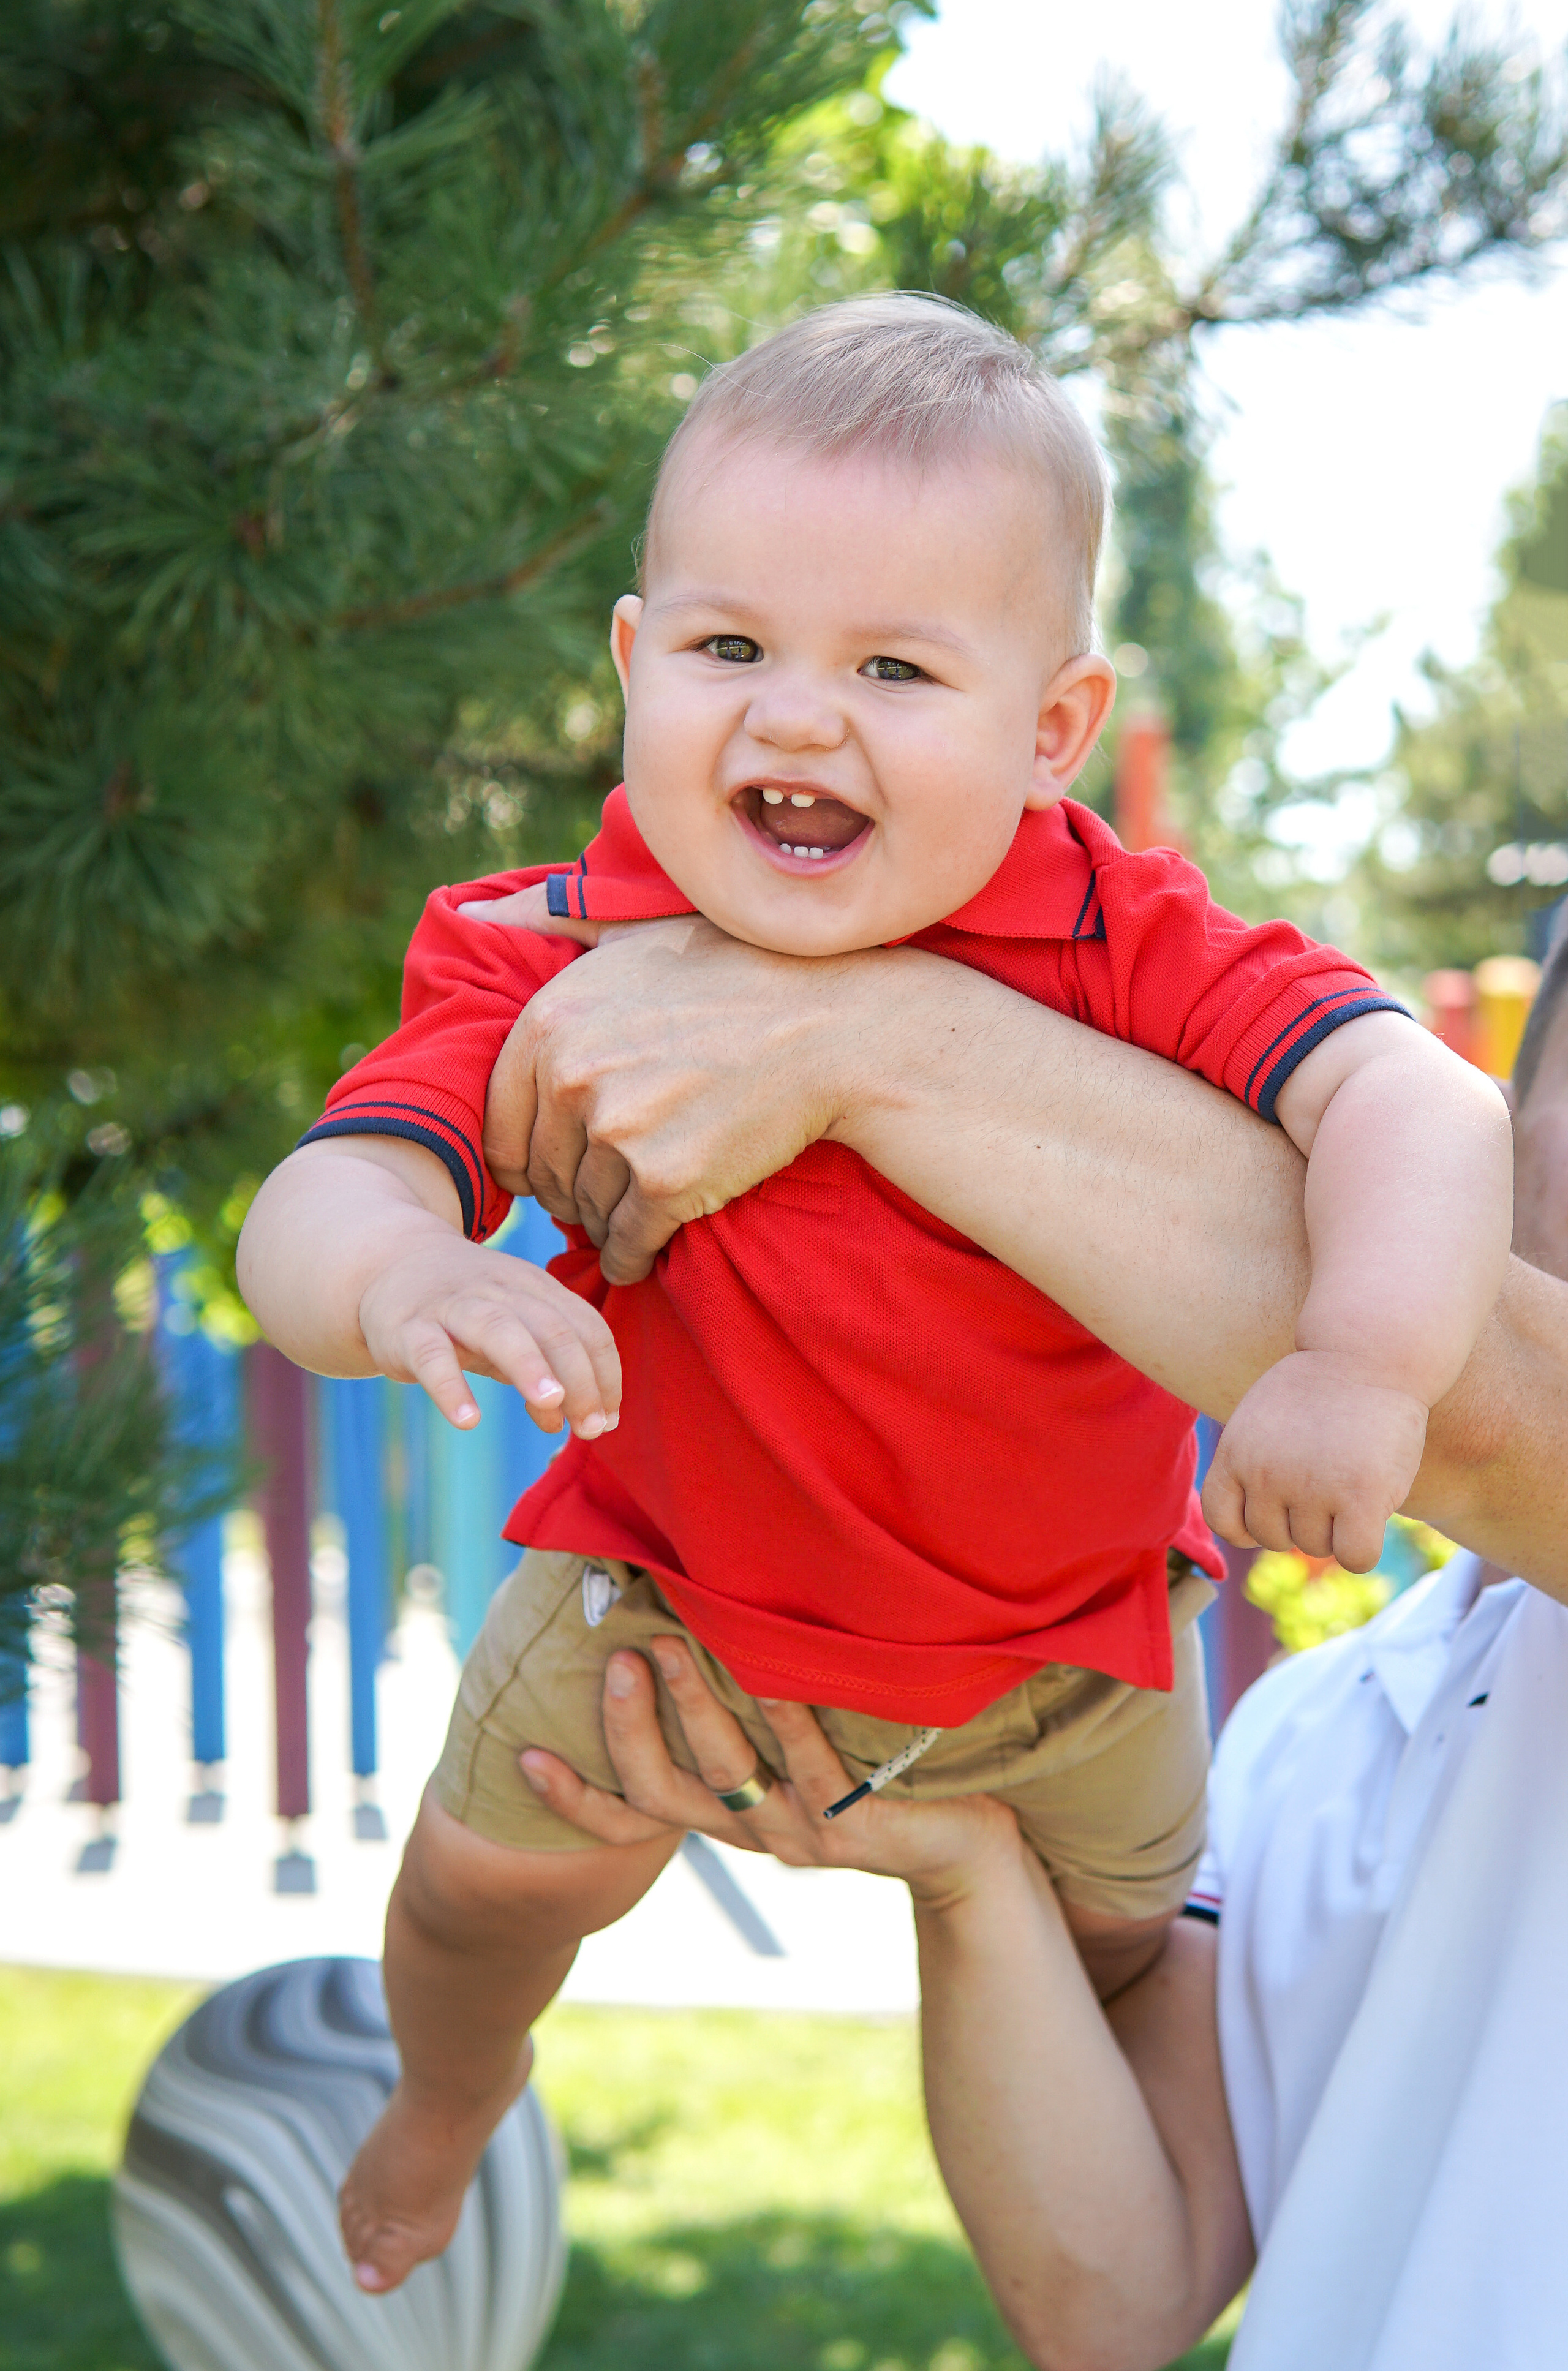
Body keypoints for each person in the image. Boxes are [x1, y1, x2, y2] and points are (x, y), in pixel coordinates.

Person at [237, 296, 1511, 2293]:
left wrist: (1362, 1361)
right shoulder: (561, 945)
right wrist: (400, 1264)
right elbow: (322, 1194)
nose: (799, 717)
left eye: (896, 667)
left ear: (1050, 730)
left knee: (1130, 1965)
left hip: (1067, 1670)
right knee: (485, 1894)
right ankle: (448, 2095)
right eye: (733, 648)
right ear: (639, 666)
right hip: (659, 1611)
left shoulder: (1114, 936)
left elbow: (1414, 1100)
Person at [502, 929, 1568, 2371]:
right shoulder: (1328, 1719)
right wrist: (971, 1867)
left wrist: (853, 1029)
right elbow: (1115, 2302)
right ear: (1522, 1116)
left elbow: (1481, 1402)